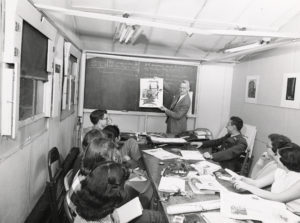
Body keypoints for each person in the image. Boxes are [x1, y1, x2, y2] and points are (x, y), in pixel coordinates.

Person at [72, 161, 166, 223]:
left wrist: (112, 215)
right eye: (122, 186)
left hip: (112, 216)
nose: (123, 190)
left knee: (150, 212)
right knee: (155, 217)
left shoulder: (92, 196)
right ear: (111, 192)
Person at [234, 143, 300, 214]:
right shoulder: (279, 170)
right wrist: (244, 179)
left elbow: (278, 198)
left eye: (277, 155)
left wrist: (247, 187)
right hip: (276, 208)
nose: (274, 157)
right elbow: (257, 183)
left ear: (285, 159)